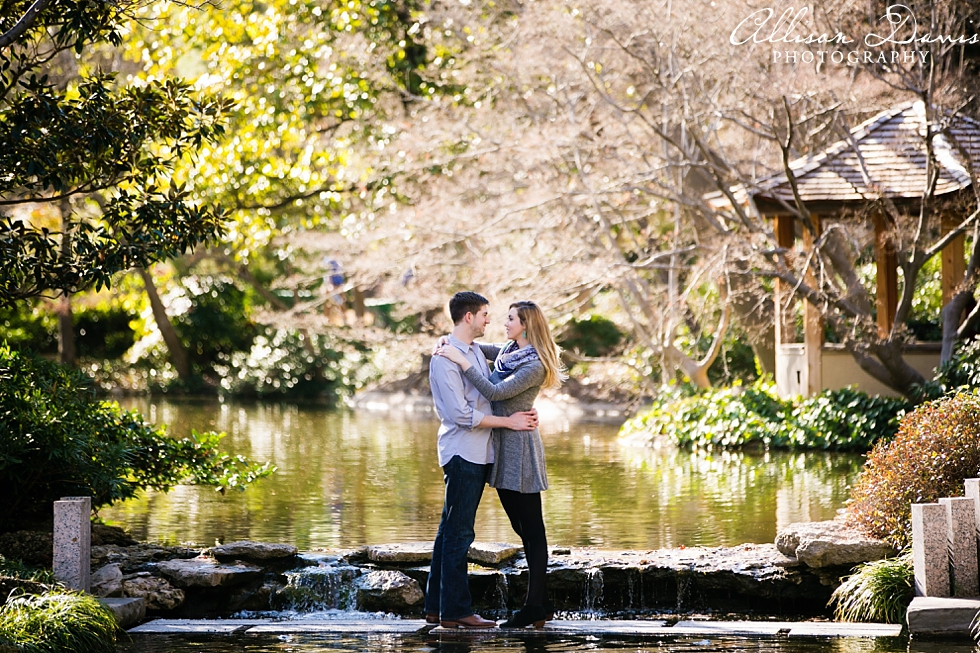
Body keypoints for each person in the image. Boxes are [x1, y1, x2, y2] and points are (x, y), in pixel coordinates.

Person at [434, 300, 567, 629]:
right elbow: (475, 345)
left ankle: (534, 607)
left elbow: (493, 391)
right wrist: (448, 342)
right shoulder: (509, 351)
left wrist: (460, 360)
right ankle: (543, 602)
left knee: (532, 530)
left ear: (526, 325)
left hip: (520, 448)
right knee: (521, 528)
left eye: (510, 319)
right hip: (501, 447)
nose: (503, 323)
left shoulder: (533, 364)